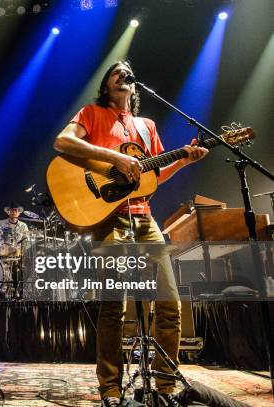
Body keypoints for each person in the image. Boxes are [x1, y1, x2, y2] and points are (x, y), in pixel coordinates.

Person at [53, 60, 208, 407]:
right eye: (115, 72)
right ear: (107, 85)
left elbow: (151, 175)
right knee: (114, 307)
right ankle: (110, 389)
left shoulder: (146, 125)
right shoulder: (91, 113)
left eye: (127, 73)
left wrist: (183, 160)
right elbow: (62, 142)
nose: (123, 75)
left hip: (144, 219)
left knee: (169, 303)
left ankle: (165, 385)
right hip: (109, 221)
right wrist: (115, 158)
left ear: (134, 87)